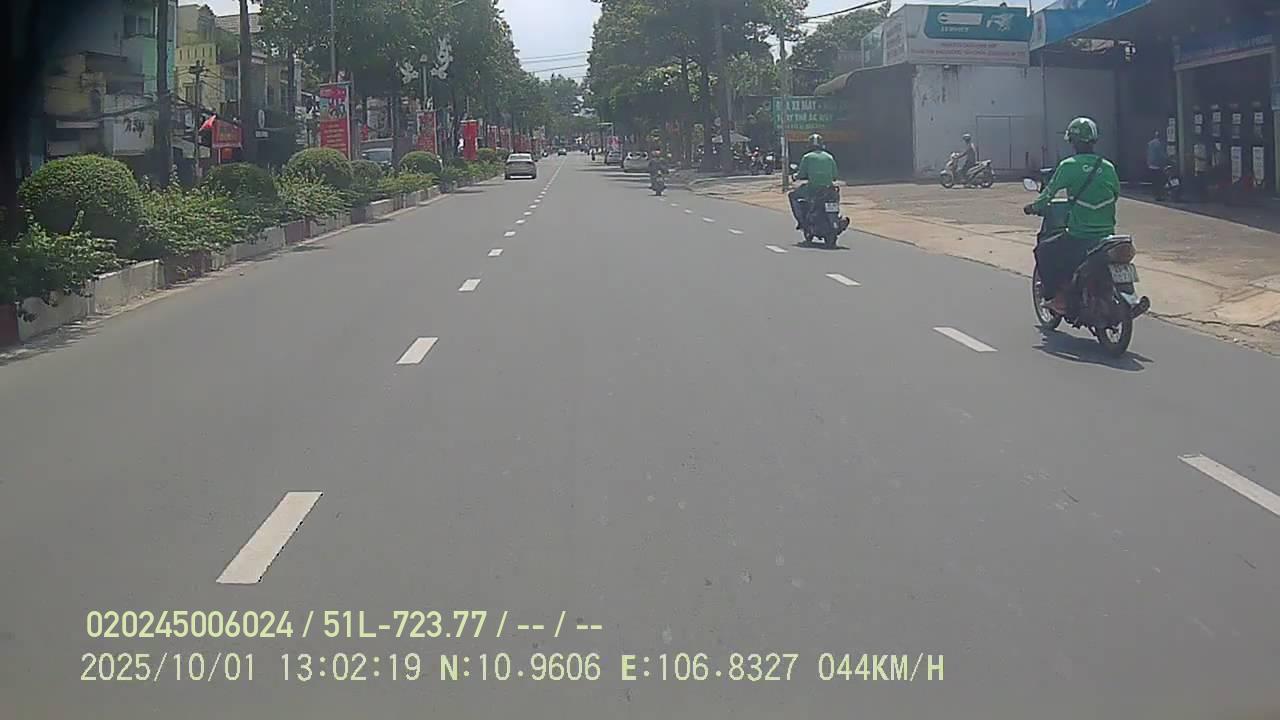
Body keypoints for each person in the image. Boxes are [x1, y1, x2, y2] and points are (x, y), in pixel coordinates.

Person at [1024, 117, 1121, 315]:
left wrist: (1033, 207)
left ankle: (1058, 298)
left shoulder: (1069, 165)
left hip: (1080, 235)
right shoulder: (1108, 167)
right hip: (1107, 235)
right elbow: (1116, 194)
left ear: (1073, 141)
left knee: (1044, 250)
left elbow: (1048, 193)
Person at [788, 134, 842, 230]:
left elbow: (801, 174)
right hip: (829, 189)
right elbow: (835, 176)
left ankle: (801, 221)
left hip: (813, 188)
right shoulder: (829, 157)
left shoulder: (807, 157)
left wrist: (794, 176)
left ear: (809, 145)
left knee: (792, 195)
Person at [1147, 130, 1166, 201]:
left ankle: (1155, 194)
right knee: (1159, 181)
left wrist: (1148, 162)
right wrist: (1166, 159)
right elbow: (1161, 154)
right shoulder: (1159, 144)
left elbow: (1148, 153)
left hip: (1151, 165)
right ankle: (1159, 195)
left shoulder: (1150, 143)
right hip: (1158, 165)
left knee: (1154, 181)